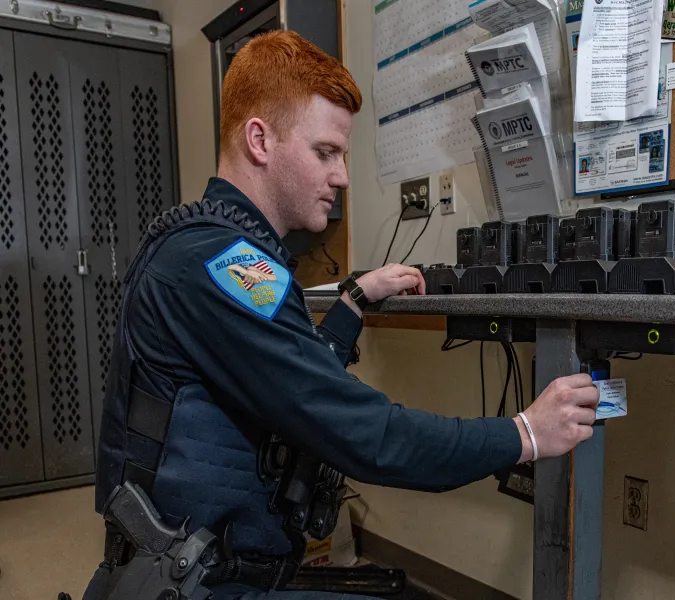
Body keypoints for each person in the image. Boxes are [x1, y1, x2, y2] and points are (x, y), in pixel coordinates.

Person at [86, 30, 600, 600]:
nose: (343, 177)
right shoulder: (220, 268)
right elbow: (367, 436)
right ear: (260, 139)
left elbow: (289, 377)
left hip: (198, 571)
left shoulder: (208, 249)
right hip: (193, 586)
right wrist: (524, 434)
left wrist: (353, 302)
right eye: (325, 152)